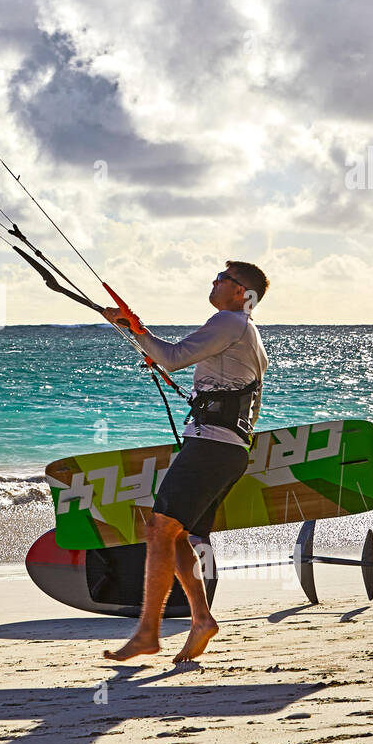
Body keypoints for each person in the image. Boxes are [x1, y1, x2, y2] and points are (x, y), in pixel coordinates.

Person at [101, 260, 269, 663]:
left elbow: (172, 357)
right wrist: (133, 328)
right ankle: (201, 621)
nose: (214, 280)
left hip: (212, 447)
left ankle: (147, 632)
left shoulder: (231, 321)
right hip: (223, 448)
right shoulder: (246, 332)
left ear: (242, 293)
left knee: (159, 529)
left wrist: (134, 327)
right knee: (175, 535)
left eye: (223, 278)